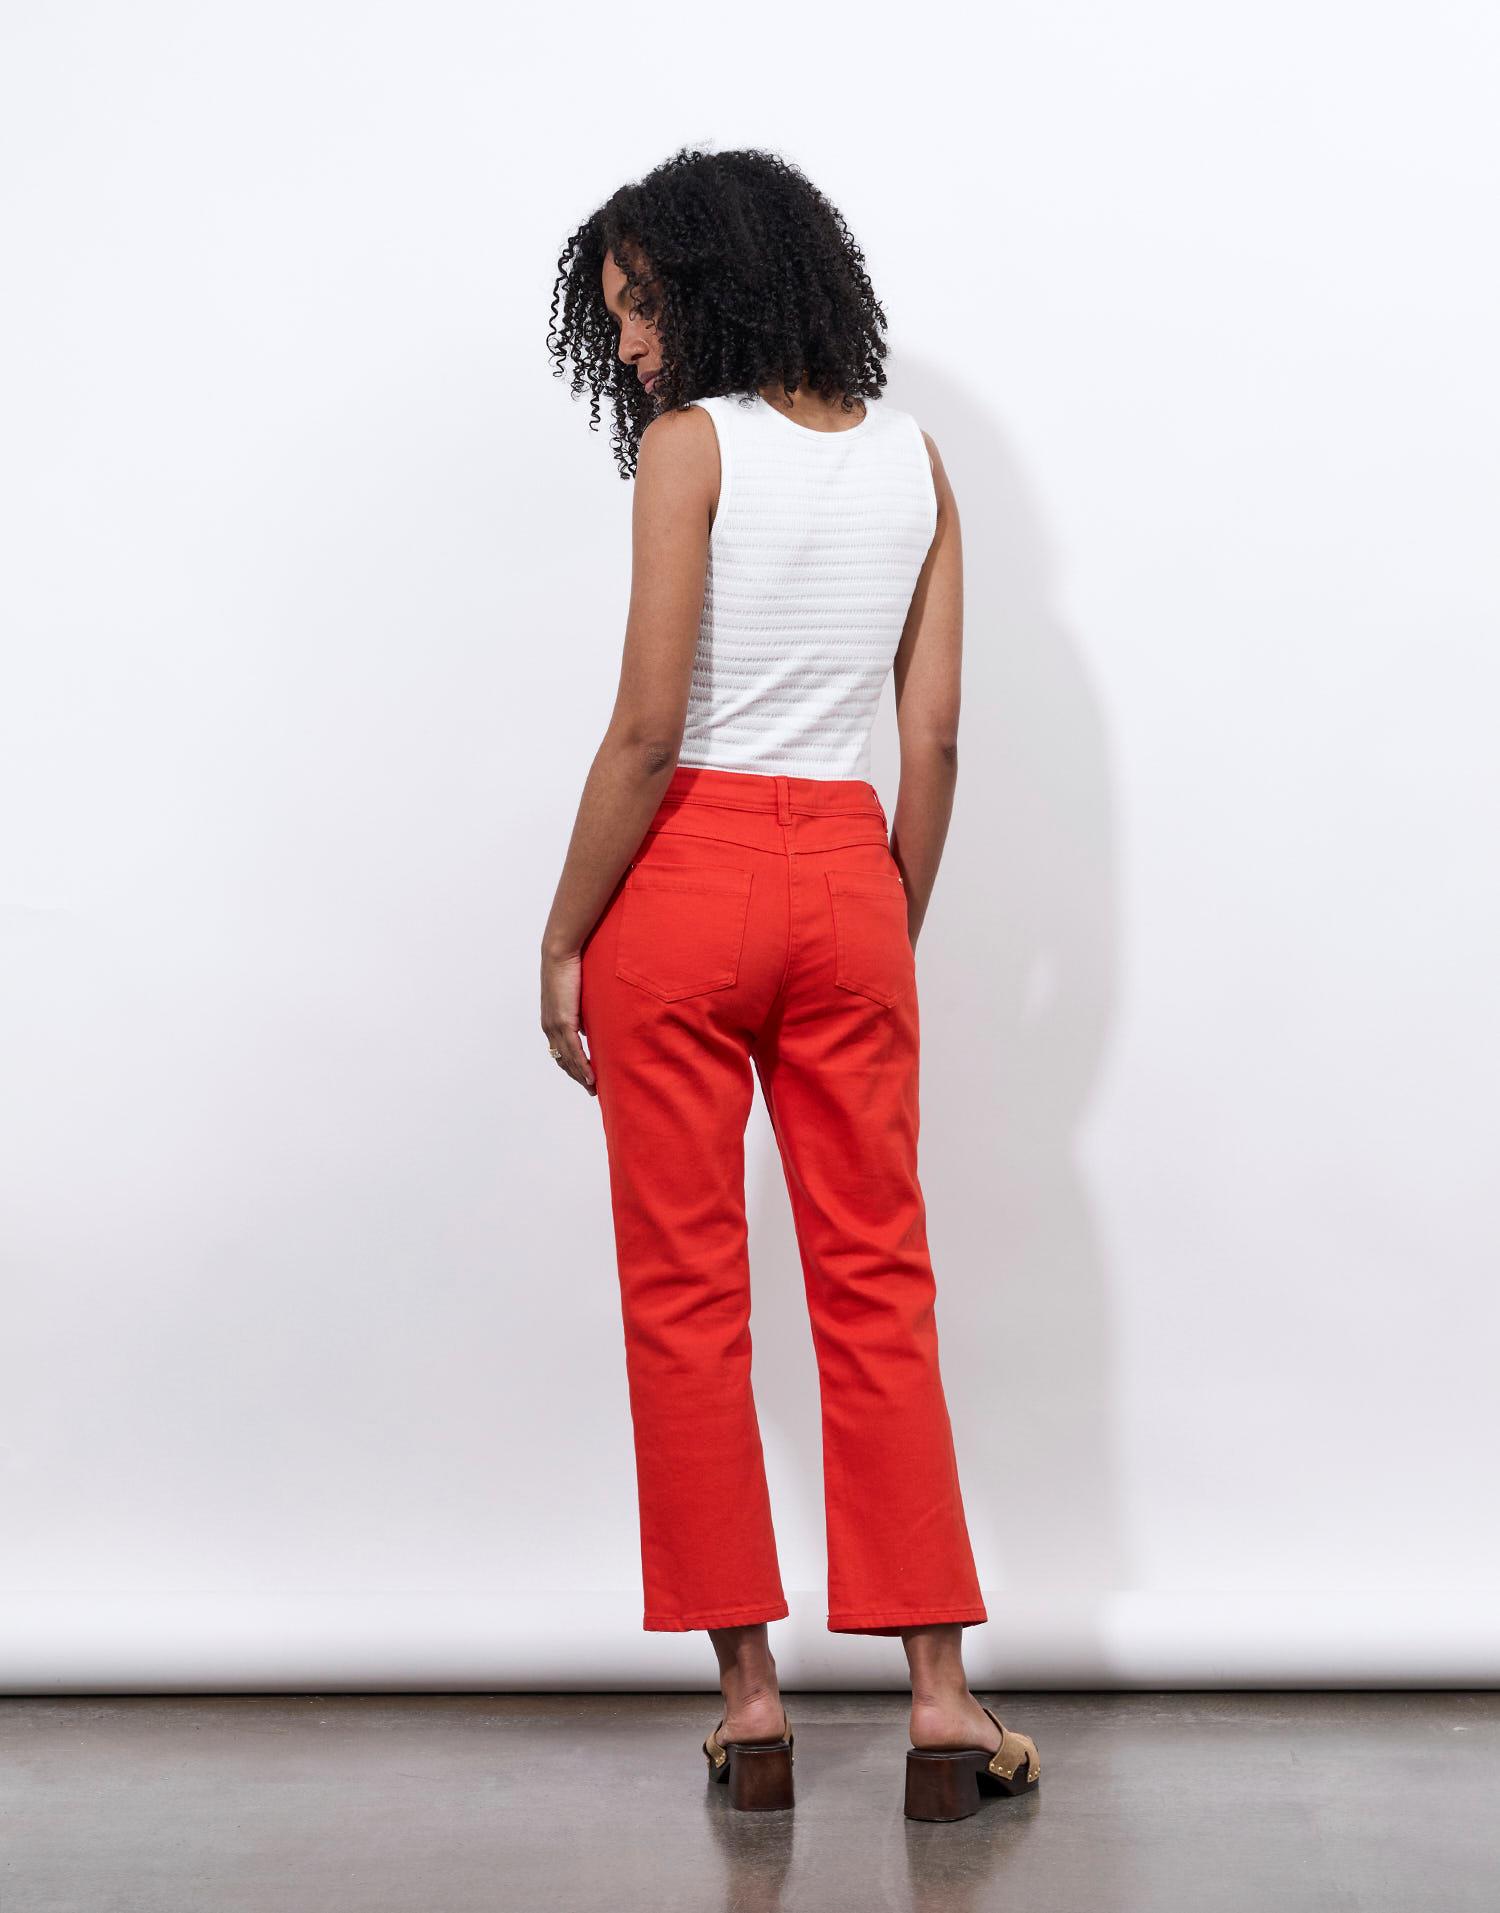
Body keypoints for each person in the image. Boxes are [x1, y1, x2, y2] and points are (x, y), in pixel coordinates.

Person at [539, 146, 1039, 1820]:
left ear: (713, 285)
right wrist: (886, 911)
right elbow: (934, 735)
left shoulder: (690, 450)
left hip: (680, 882)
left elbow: (645, 731)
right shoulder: (917, 463)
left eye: (639, 308)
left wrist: (560, 934)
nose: (628, 346)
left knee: (687, 1294)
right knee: (879, 1282)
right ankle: (943, 1703)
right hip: (848, 875)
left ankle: (752, 1706)